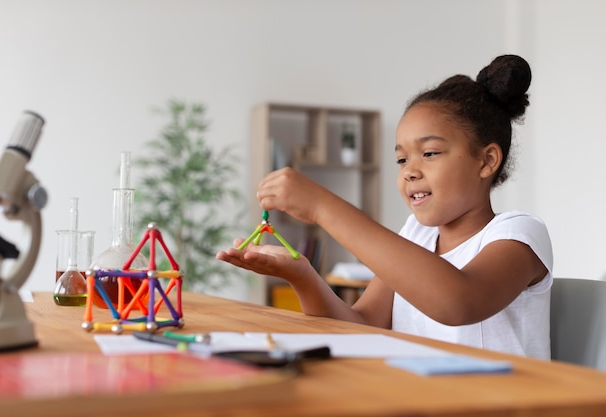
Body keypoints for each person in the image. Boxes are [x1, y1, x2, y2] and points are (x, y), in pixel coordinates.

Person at [216, 54, 553, 359]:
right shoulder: (416, 235)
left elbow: (458, 302)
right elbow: (361, 324)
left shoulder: (519, 235)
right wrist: (301, 274)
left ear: (487, 160)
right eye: (401, 159)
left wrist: (323, 207)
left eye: (430, 153)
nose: (410, 170)